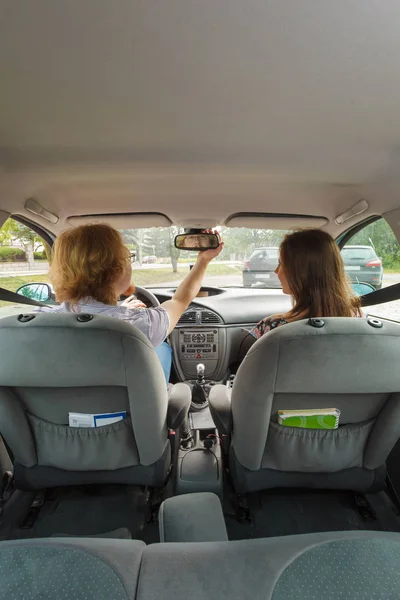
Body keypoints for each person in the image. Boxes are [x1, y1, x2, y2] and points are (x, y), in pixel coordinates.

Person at [34, 223, 223, 381]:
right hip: (131, 425)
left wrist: (117, 311)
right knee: (162, 348)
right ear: (116, 269)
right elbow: (180, 300)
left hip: (53, 424)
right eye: (127, 258)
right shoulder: (139, 326)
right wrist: (203, 261)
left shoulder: (36, 323)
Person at [253, 229, 362, 339]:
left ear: (300, 272)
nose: (276, 271)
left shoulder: (272, 327)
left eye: (280, 264)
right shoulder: (360, 321)